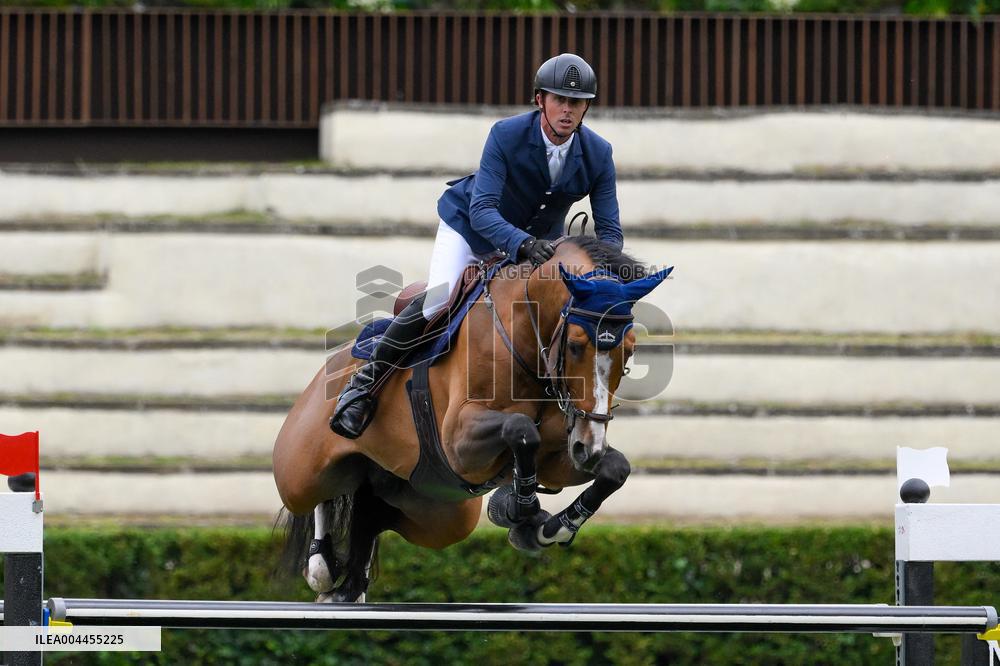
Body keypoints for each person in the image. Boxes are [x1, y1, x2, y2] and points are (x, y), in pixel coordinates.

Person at [330, 52, 624, 440]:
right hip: (472, 230)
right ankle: (364, 385)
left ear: (587, 108)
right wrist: (522, 243)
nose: (567, 110)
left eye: (577, 102)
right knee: (437, 300)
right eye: (560, 100)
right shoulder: (506, 134)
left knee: (559, 315)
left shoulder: (599, 153)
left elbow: (610, 233)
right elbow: (482, 210)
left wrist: (604, 280)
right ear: (541, 100)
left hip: (538, 248)